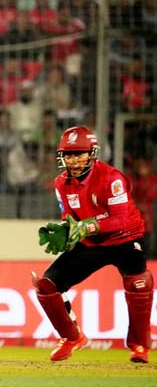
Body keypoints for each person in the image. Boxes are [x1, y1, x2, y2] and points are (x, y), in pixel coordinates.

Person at [35, 126, 152, 363]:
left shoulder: (112, 178)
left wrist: (87, 226)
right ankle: (72, 337)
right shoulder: (61, 183)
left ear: (92, 154)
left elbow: (120, 219)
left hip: (125, 238)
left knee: (139, 284)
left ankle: (139, 345)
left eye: (79, 154)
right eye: (68, 155)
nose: (73, 160)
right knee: (47, 286)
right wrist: (66, 231)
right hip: (91, 243)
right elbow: (69, 217)